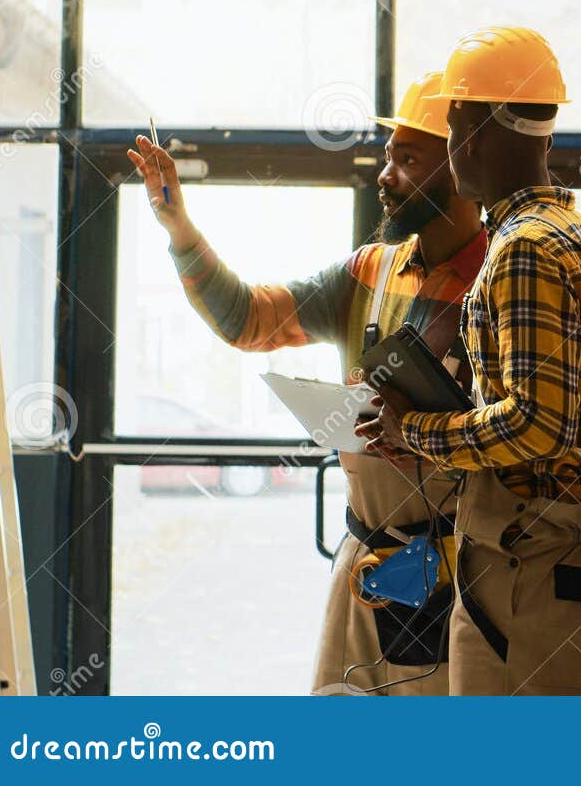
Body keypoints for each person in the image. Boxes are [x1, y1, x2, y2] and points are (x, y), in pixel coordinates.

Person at [126, 71, 485, 696]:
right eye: (386, 156)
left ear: (456, 168)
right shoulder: (366, 272)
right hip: (367, 560)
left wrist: (427, 435)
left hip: (453, 572)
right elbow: (249, 320)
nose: (384, 174)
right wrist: (179, 229)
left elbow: (528, 431)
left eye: (406, 159)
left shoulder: (500, 281)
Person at [355, 26, 581, 696]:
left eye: (452, 126)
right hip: (575, 564)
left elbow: (533, 426)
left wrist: (414, 431)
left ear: (473, 131)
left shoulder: (523, 250)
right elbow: (577, 427)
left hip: (524, 574)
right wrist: (446, 438)